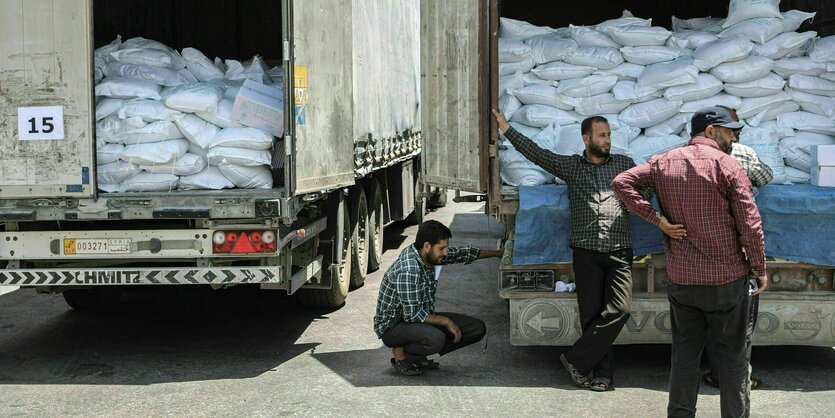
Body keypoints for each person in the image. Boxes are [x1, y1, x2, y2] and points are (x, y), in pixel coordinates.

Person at [491, 110, 674, 391]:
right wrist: (507, 129)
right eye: (602, 135)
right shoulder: (572, 167)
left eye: (610, 135)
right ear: (586, 138)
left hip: (619, 251)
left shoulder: (624, 164)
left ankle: (576, 358)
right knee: (591, 316)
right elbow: (537, 154)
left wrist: (632, 198)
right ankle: (602, 375)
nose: (608, 140)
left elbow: (646, 190)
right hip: (586, 252)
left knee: (619, 309)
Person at [612, 106, 768, 418]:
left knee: (684, 358)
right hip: (726, 280)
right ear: (711, 131)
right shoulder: (728, 166)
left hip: (683, 280)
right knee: (733, 360)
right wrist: (760, 269)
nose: (734, 137)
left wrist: (657, 220)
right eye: (729, 131)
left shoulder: (664, 161)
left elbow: (622, 182)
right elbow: (750, 224)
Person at [701, 106, 772, 391]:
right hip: (738, 253)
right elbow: (766, 178)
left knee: (707, 320)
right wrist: (760, 266)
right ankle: (737, 378)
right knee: (741, 323)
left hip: (701, 252)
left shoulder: (683, 155)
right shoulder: (743, 154)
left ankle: (717, 374)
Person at [373, 220, 502, 376]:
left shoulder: (429, 255)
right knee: (437, 338)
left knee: (477, 328)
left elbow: (462, 253)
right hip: (393, 326)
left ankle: (418, 354)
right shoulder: (409, 269)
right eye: (442, 248)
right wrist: (446, 322)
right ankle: (402, 355)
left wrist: (498, 253)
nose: (446, 252)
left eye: (446, 248)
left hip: (413, 320)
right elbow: (413, 314)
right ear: (427, 246)